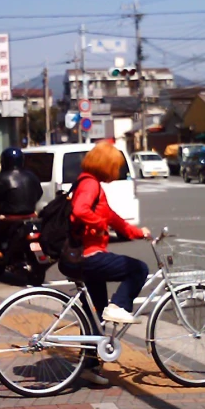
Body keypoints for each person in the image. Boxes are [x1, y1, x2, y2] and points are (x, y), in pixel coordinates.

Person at [59, 141, 151, 386]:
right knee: (138, 269)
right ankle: (119, 305)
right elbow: (81, 211)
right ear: (106, 165)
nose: (116, 171)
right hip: (89, 256)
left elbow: (112, 217)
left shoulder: (90, 183)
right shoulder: (89, 184)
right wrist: (99, 224)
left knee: (95, 315)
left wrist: (136, 232)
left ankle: (89, 365)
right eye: (115, 166)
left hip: (85, 257)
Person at [0, 147, 43, 264]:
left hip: (9, 217)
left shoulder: (2, 178)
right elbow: (39, 193)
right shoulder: (32, 176)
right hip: (31, 215)